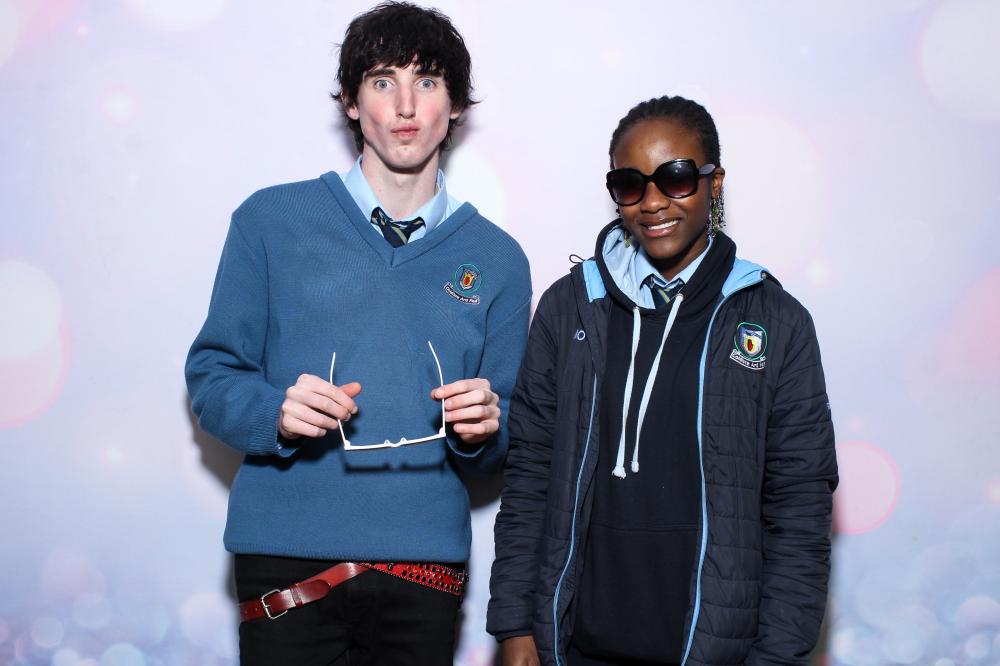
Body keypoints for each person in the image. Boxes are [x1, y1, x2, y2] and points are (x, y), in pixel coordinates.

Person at [185, 3, 531, 664]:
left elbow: (508, 436)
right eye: (382, 80)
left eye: (427, 81)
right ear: (350, 101)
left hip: (424, 566)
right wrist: (274, 412)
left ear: (456, 105)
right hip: (284, 555)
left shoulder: (499, 259)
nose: (405, 104)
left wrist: (488, 427)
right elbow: (211, 375)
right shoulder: (270, 221)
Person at [487, 95, 837, 665]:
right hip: (575, 646)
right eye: (630, 184)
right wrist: (515, 625)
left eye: (675, 178)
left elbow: (799, 508)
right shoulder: (570, 307)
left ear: (714, 183)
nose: (652, 203)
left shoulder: (776, 321)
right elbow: (531, 475)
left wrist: (777, 655)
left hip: (713, 651)